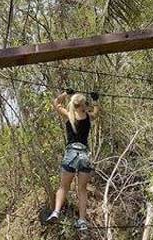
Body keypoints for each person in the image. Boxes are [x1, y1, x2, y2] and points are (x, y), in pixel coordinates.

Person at [46, 90, 100, 231]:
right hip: (84, 156)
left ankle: (56, 211)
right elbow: (96, 113)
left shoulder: (69, 115)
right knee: (82, 189)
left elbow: (56, 103)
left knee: (64, 187)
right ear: (83, 105)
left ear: (73, 104)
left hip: (71, 154)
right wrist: (95, 101)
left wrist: (65, 93)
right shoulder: (88, 116)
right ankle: (81, 220)